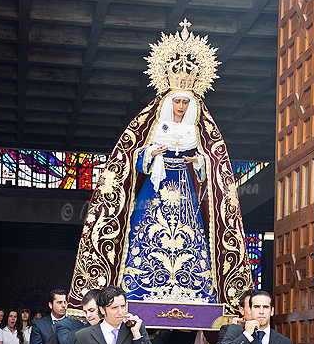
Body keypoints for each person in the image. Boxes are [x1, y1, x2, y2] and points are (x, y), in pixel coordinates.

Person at [66, 21, 252, 317]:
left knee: (190, 236)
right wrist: (150, 153)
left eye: (184, 102)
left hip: (185, 189)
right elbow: (130, 157)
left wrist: (198, 162)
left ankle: (192, 289)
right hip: (156, 187)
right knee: (147, 231)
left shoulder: (197, 131)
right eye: (176, 101)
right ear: (169, 102)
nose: (180, 106)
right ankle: (141, 286)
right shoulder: (154, 128)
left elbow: (213, 165)